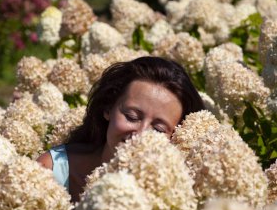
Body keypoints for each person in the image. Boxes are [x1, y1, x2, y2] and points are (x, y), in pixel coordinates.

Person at [37, 56, 205, 202]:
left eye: (159, 129)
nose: (140, 135)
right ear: (108, 108)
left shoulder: (176, 196)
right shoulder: (50, 171)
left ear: (178, 137)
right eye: (132, 117)